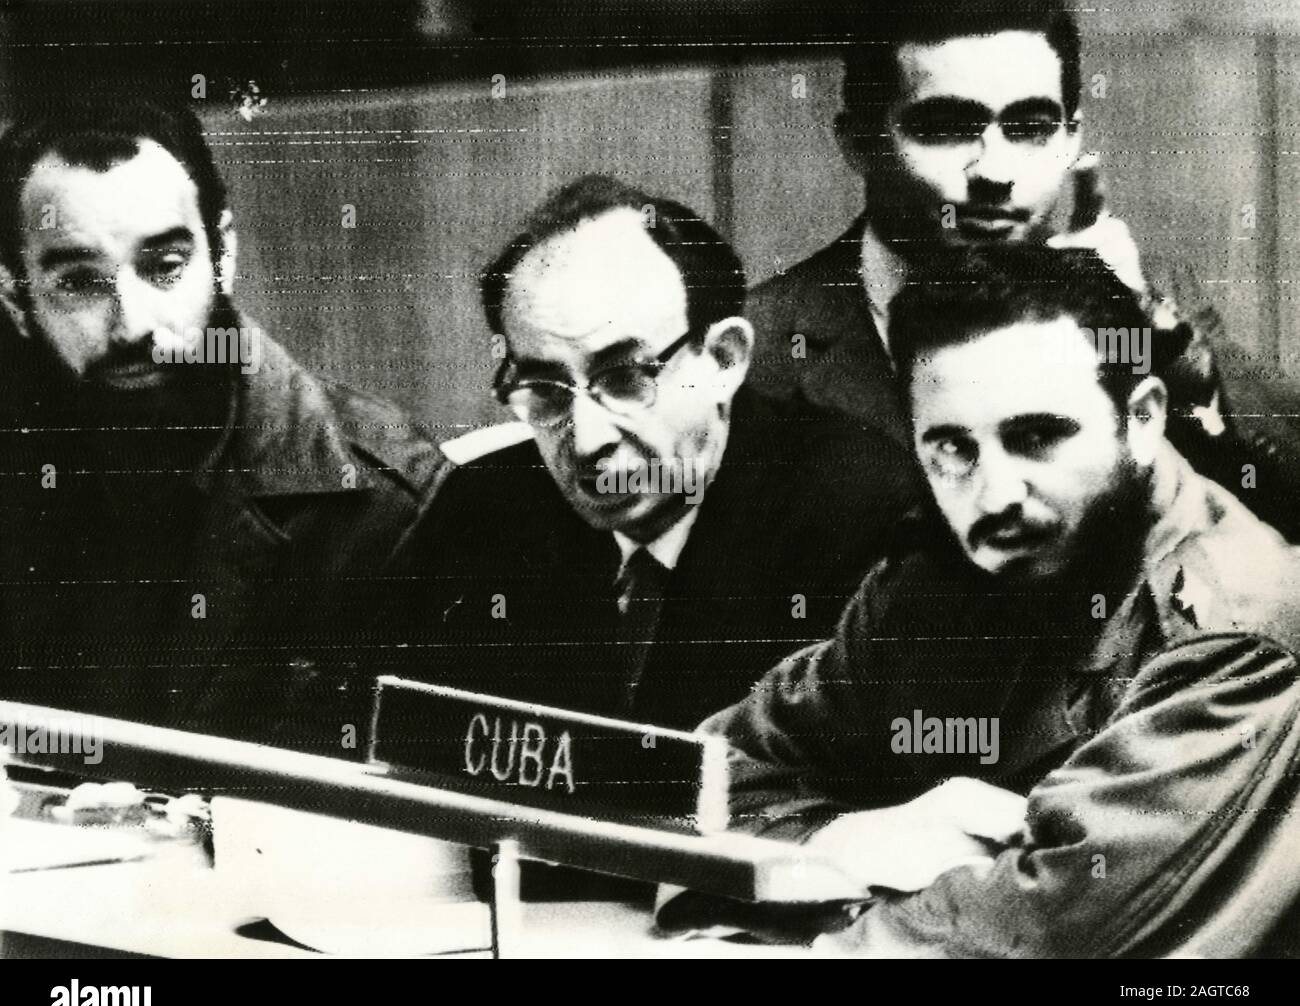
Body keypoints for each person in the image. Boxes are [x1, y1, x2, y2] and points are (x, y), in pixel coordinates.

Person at [671, 247, 1300, 958]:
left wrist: (828, 915)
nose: (995, 494)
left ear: (1145, 418)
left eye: (1037, 437)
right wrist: (839, 839)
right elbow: (701, 782)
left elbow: (1052, 930)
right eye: (951, 449)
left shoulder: (1235, 630)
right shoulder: (937, 584)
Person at [745, 0, 1300, 537]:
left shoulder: (1148, 303)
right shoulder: (761, 347)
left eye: (1030, 127)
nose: (995, 171)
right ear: (859, 143)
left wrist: (1154, 343)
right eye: (944, 128)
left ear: (1072, 138)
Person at [394, 175, 918, 731]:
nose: (590, 441)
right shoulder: (477, 512)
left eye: (624, 379)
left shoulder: (861, 512)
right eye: (547, 391)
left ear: (723, 360)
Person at [0, 99, 444, 753]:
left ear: (224, 254)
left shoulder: (387, 505)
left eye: (165, 266)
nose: (134, 324)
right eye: (81, 281)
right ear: (17, 300)